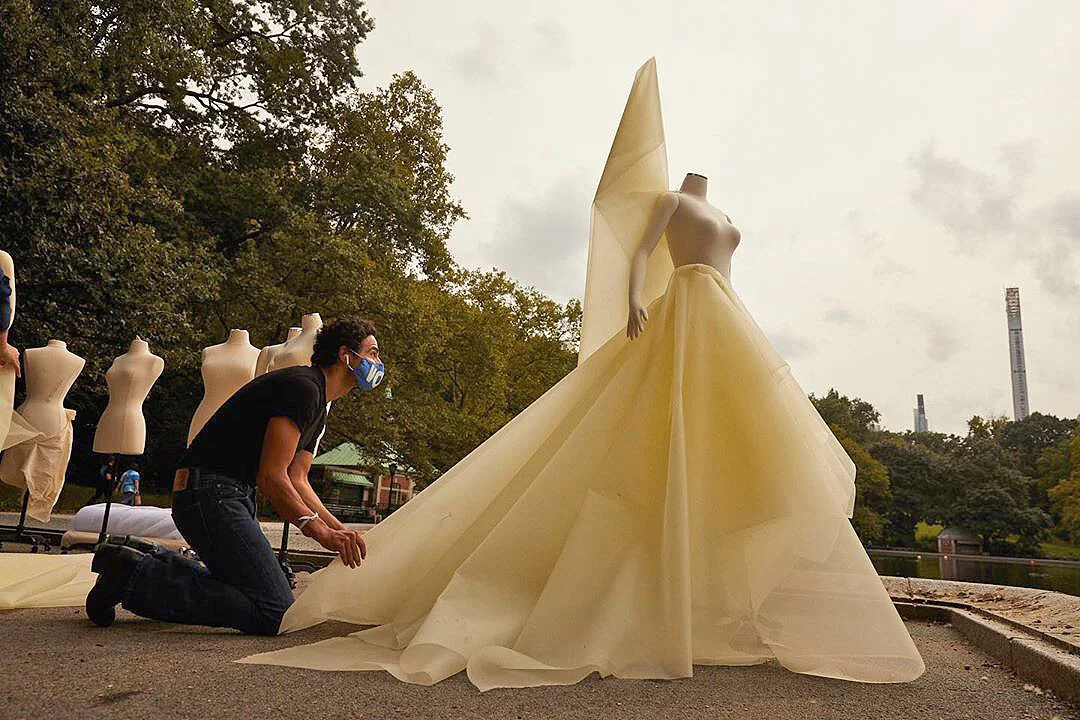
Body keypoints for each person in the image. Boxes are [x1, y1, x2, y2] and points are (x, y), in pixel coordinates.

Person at [240, 60, 924, 689]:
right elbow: (640, 254)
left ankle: (703, 601)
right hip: (682, 311)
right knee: (659, 439)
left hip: (727, 324)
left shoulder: (726, 216)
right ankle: (632, 603)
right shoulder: (672, 202)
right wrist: (631, 300)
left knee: (734, 448)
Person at [84, 315, 386, 634]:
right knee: (274, 611)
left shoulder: (319, 402)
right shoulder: (303, 388)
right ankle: (133, 574)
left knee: (267, 591)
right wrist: (320, 532)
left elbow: (298, 478)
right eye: (373, 352)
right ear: (346, 356)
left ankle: (135, 560)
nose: (378, 362)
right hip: (208, 494)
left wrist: (341, 532)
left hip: (227, 495)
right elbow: (271, 477)